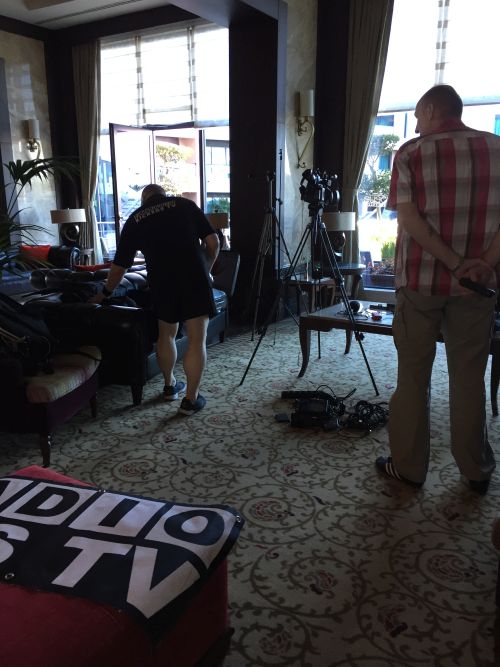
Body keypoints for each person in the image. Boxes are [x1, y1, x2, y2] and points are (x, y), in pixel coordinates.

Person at [376, 84, 500, 494]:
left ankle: (409, 469)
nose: (415, 125)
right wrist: (483, 264)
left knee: (413, 377)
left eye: (416, 116)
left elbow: (409, 220)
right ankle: (476, 470)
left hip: (420, 282)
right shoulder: (497, 149)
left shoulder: (410, 153)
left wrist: (452, 262)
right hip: (476, 288)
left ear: (431, 110)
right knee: (469, 378)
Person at [90, 184, 219, 415]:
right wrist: (206, 270)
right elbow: (214, 243)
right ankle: (190, 400)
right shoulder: (185, 205)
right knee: (196, 339)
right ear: (163, 194)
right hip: (193, 279)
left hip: (161, 283)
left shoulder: (135, 219)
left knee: (166, 335)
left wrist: (104, 293)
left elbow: (119, 267)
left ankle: (169, 386)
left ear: (144, 199)